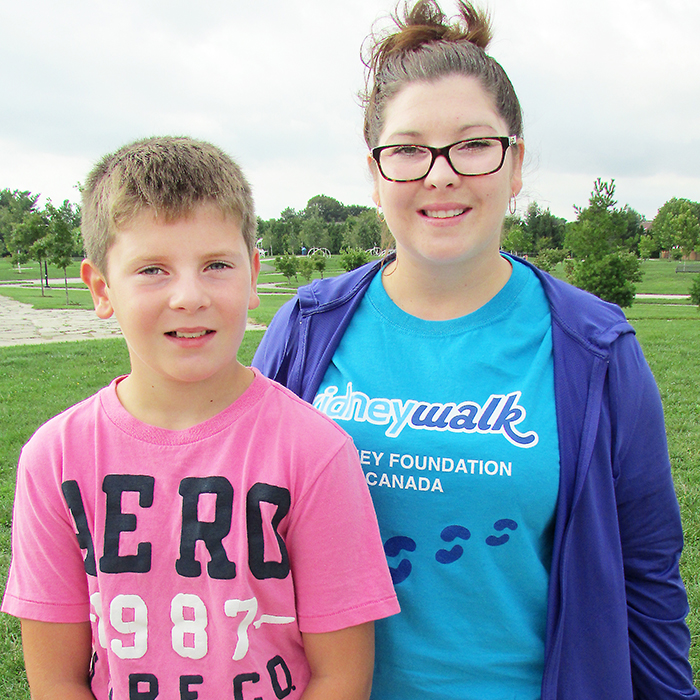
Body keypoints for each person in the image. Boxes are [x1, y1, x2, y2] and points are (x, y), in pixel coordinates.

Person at [252, 2, 699, 699]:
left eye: (472, 144)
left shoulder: (596, 347)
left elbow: (646, 573)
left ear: (515, 164)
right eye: (407, 149)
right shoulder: (307, 328)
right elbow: (236, 523)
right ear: (374, 174)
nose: (440, 174)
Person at [1, 136, 399, 700]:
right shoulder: (55, 458)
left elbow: (341, 675)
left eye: (215, 265)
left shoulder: (314, 451)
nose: (188, 296)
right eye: (152, 270)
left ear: (253, 275)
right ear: (101, 288)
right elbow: (55, 679)